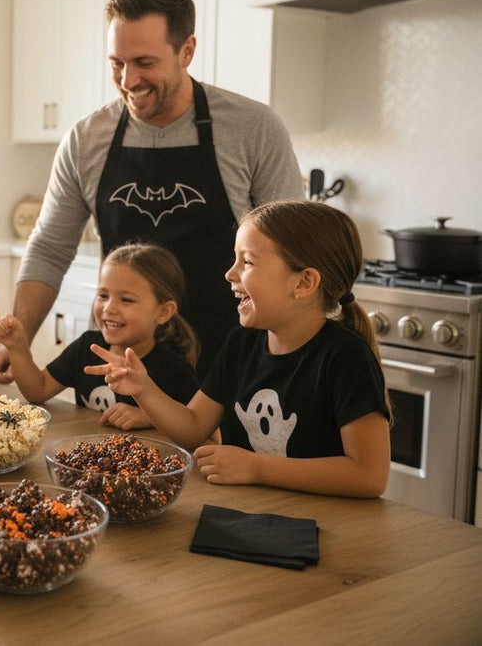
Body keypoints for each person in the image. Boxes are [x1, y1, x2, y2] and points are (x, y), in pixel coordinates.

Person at [0, 0, 304, 382]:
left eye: (144, 63)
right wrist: (16, 341)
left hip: (227, 361)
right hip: (120, 365)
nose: (128, 80)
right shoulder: (87, 138)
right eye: (116, 63)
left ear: (186, 51)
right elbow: (51, 248)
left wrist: (293, 364)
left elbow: (291, 252)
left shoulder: (253, 128)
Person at [90, 200, 391, 497]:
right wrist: (144, 388)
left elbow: (368, 475)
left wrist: (256, 467)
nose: (230, 274)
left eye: (246, 262)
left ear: (304, 282)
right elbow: (193, 427)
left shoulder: (345, 357)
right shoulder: (240, 345)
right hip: (247, 514)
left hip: (324, 530)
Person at [0, 242, 198, 429]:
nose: (109, 308)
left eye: (126, 300)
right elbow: (37, 390)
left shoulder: (174, 369)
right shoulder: (86, 347)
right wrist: (17, 347)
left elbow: (196, 428)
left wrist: (149, 417)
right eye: (103, 296)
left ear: (163, 312)